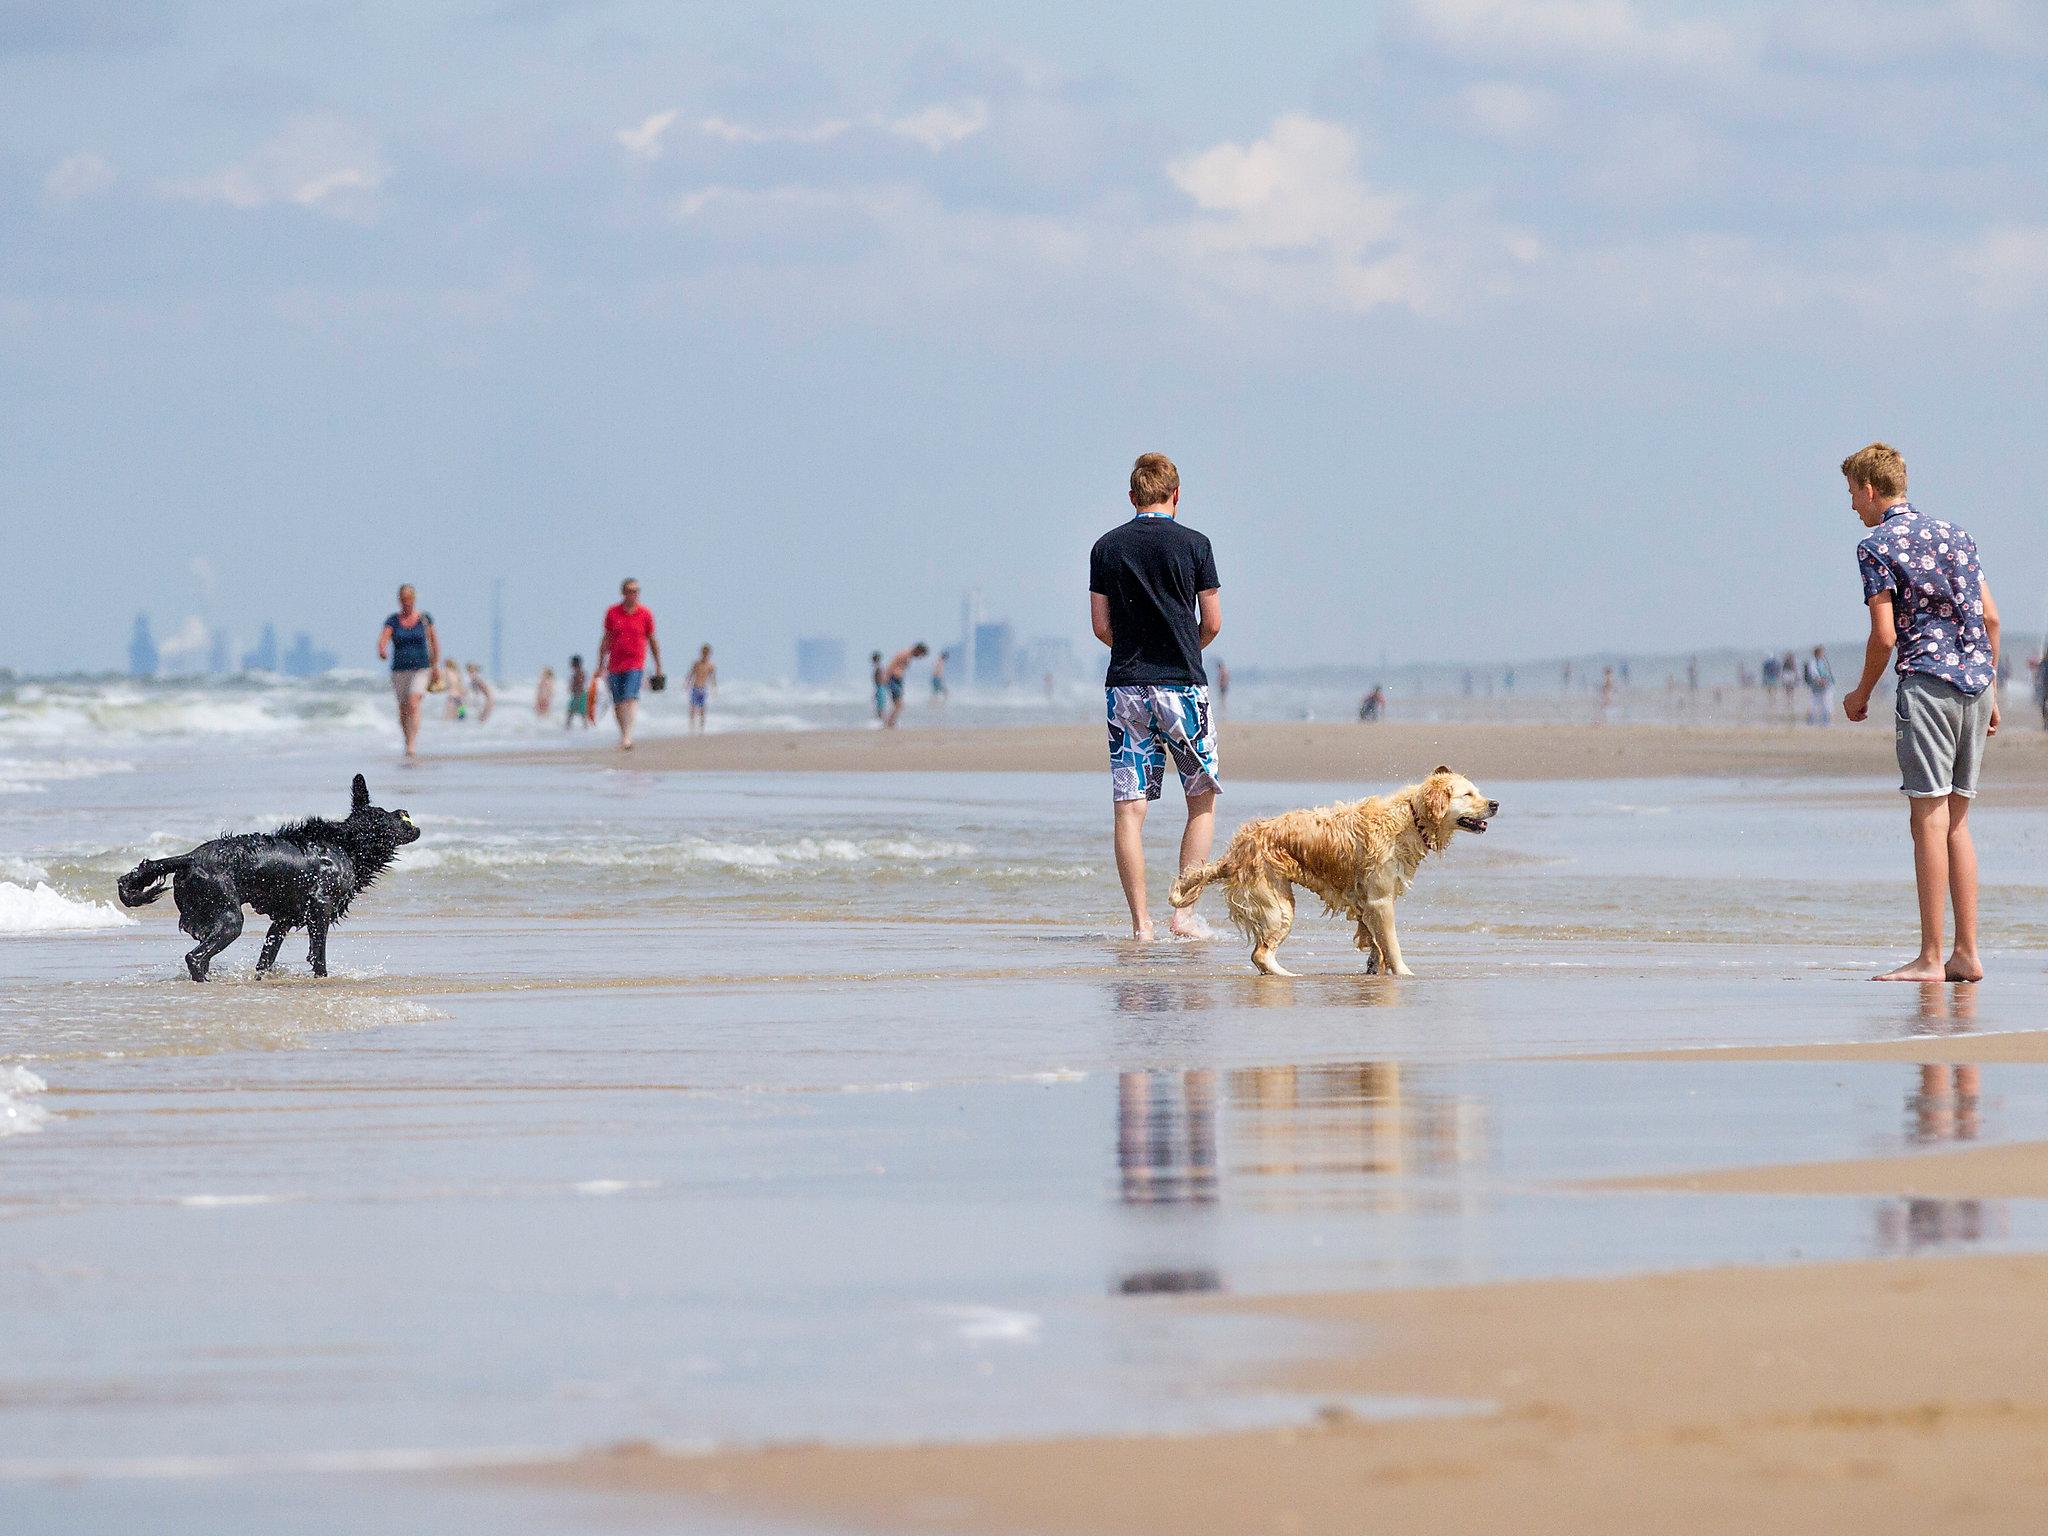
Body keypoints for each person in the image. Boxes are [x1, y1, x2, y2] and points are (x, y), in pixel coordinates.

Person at [1838, 442, 2001, 983]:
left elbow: (1884, 636)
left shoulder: (1876, 546)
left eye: (1853, 496)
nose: (1854, 509)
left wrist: (1860, 694)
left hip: (1928, 685)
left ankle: (1932, 957)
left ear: (1870, 488)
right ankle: (1967, 952)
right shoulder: (1958, 536)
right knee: (1958, 820)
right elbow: (1992, 619)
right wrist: (1992, 689)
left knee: (1926, 818)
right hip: (1976, 685)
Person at [1089, 451, 1221, 941]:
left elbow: (1101, 626)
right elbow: (1212, 622)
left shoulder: (1105, 547)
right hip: (1183, 686)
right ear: (1176, 495)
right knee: (1201, 797)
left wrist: (1131, 649)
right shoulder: (1196, 544)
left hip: (1126, 687)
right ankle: (1183, 915)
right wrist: (1185, 647)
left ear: (1132, 497)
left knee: (1129, 808)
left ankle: (1141, 925)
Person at [593, 577, 663, 751]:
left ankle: (627, 737)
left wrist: (658, 665)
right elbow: (606, 639)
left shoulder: (645, 614)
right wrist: (600, 664)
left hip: (636, 663)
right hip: (615, 664)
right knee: (618, 701)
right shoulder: (612, 613)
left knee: (630, 697)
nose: (634, 594)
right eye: (631, 591)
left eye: (636, 591)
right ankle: (623, 733)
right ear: (623, 593)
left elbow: (652, 640)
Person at [376, 585, 439, 760]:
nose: (406, 603)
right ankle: (406, 738)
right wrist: (382, 649)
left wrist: (435, 666)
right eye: (403, 600)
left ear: (414, 599)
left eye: (409, 599)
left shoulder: (424, 619)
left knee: (413, 703)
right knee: (403, 708)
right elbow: (383, 638)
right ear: (399, 600)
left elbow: (434, 642)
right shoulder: (393, 621)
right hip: (399, 670)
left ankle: (412, 743)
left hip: (421, 667)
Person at [882, 643, 929, 728]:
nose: (919, 657)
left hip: (897, 680)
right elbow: (892, 663)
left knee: (897, 704)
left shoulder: (909, 655)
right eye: (920, 655)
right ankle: (889, 723)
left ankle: (890, 722)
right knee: (899, 704)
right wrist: (886, 677)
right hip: (893, 679)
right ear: (918, 650)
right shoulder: (904, 653)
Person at [686, 644, 717, 733]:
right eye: (703, 653)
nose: (705, 655)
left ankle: (701, 729)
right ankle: (692, 728)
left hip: (703, 689)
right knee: (693, 709)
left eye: (706, 653)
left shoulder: (711, 666)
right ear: (701, 653)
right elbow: (690, 674)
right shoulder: (696, 663)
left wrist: (714, 689)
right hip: (695, 688)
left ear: (709, 654)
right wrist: (687, 684)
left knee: (702, 709)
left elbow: (713, 679)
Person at [1803, 644, 1835, 725]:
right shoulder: (1813, 662)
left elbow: (1828, 673)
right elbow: (1813, 673)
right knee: (1815, 704)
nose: (1823, 654)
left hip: (1825, 686)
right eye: (1822, 652)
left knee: (1826, 704)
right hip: (1817, 686)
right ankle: (1812, 721)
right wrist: (1819, 680)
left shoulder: (1823, 661)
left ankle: (1825, 722)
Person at [564, 655, 591, 728]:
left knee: (571, 713)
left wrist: (577, 696)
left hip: (579, 695)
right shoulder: (579, 672)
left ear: (574, 664)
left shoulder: (579, 673)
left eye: (571, 663)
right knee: (581, 714)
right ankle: (585, 729)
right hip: (580, 694)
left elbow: (580, 685)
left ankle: (567, 729)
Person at [870, 651, 887, 724]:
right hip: (879, 687)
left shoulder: (879, 668)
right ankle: (882, 722)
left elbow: (881, 679)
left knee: (880, 707)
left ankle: (883, 722)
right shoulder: (879, 668)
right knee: (880, 706)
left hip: (880, 687)